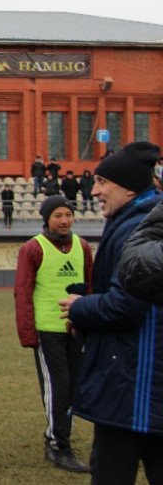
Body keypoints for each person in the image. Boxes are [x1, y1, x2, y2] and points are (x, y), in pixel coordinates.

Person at [60, 141, 163, 484]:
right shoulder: (139, 221)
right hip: (136, 382)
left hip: (135, 386)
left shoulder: (140, 229)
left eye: (104, 182)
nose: (95, 190)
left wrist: (81, 308)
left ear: (129, 187)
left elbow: (128, 304)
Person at [13, 196, 93, 473]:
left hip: (75, 328)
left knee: (72, 388)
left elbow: (90, 287)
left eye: (68, 215)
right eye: (58, 215)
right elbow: (22, 292)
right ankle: (59, 446)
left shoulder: (83, 246)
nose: (64, 220)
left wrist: (89, 322)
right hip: (47, 330)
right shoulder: (33, 248)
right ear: (46, 218)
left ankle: (57, 437)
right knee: (57, 387)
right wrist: (28, 334)